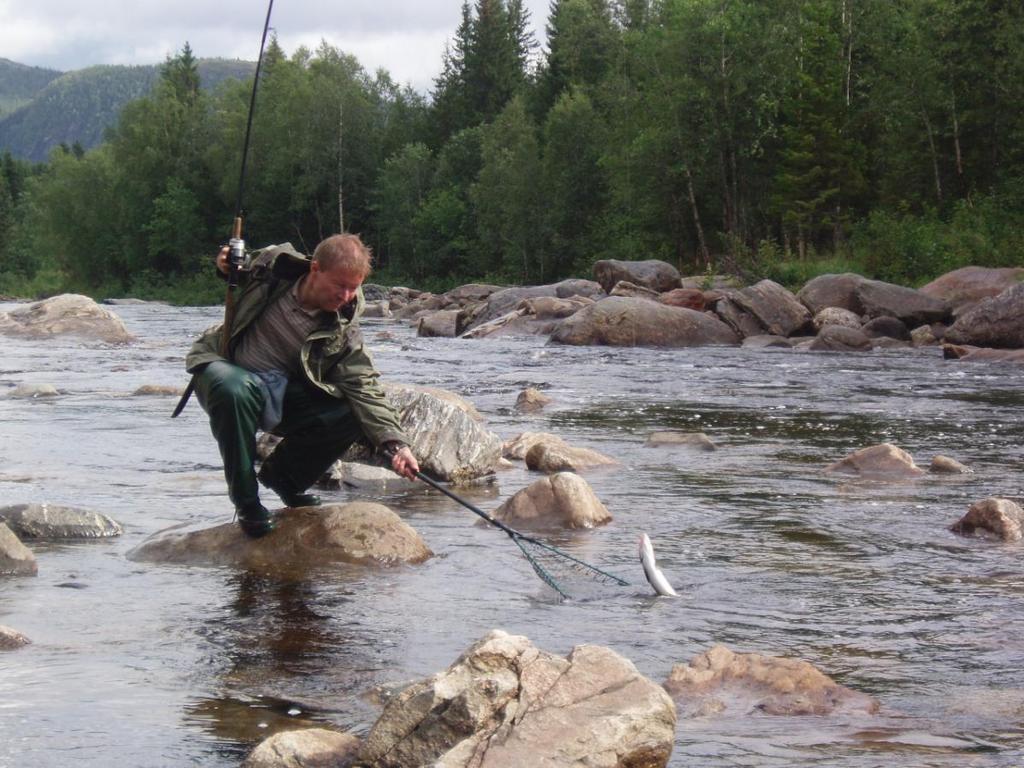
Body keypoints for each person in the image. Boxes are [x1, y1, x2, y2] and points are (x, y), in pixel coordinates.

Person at [185, 233, 419, 538]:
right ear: (315, 269)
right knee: (235, 389)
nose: (347, 296)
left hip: (278, 394)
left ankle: (285, 480)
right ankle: (246, 500)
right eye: (340, 285)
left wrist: (395, 445)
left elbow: (364, 385)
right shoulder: (273, 266)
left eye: (354, 287)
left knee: (350, 411)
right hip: (225, 373)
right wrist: (224, 260)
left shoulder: (343, 328)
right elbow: (235, 266)